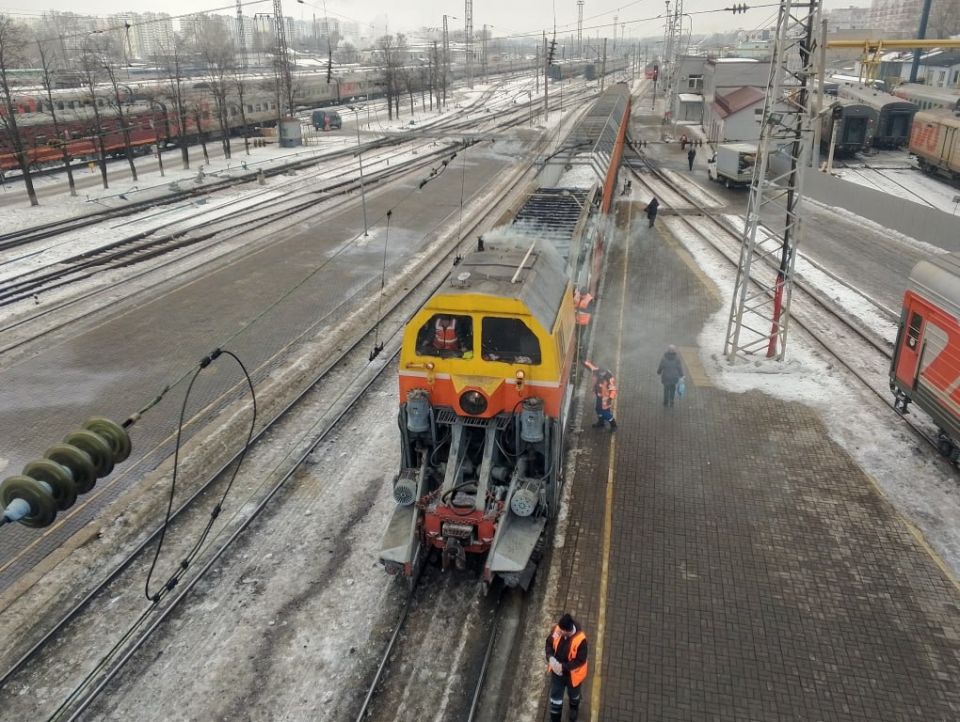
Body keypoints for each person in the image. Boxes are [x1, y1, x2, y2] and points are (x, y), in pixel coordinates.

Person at [545, 613, 589, 722]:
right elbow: (549, 644)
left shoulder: (581, 641)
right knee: (555, 699)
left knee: (574, 695)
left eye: (561, 630)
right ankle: (555, 719)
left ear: (568, 631)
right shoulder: (558, 630)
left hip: (572, 675)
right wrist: (550, 657)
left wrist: (563, 666)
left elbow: (580, 660)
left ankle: (574, 708)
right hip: (557, 674)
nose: (559, 631)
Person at [592, 366, 618, 431]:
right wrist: (584, 362)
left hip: (606, 398)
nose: (600, 374)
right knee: (598, 409)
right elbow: (591, 366)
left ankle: (613, 424)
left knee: (603, 411)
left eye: (602, 373)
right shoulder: (597, 372)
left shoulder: (609, 378)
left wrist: (610, 398)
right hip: (599, 396)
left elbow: (613, 390)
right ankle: (601, 422)